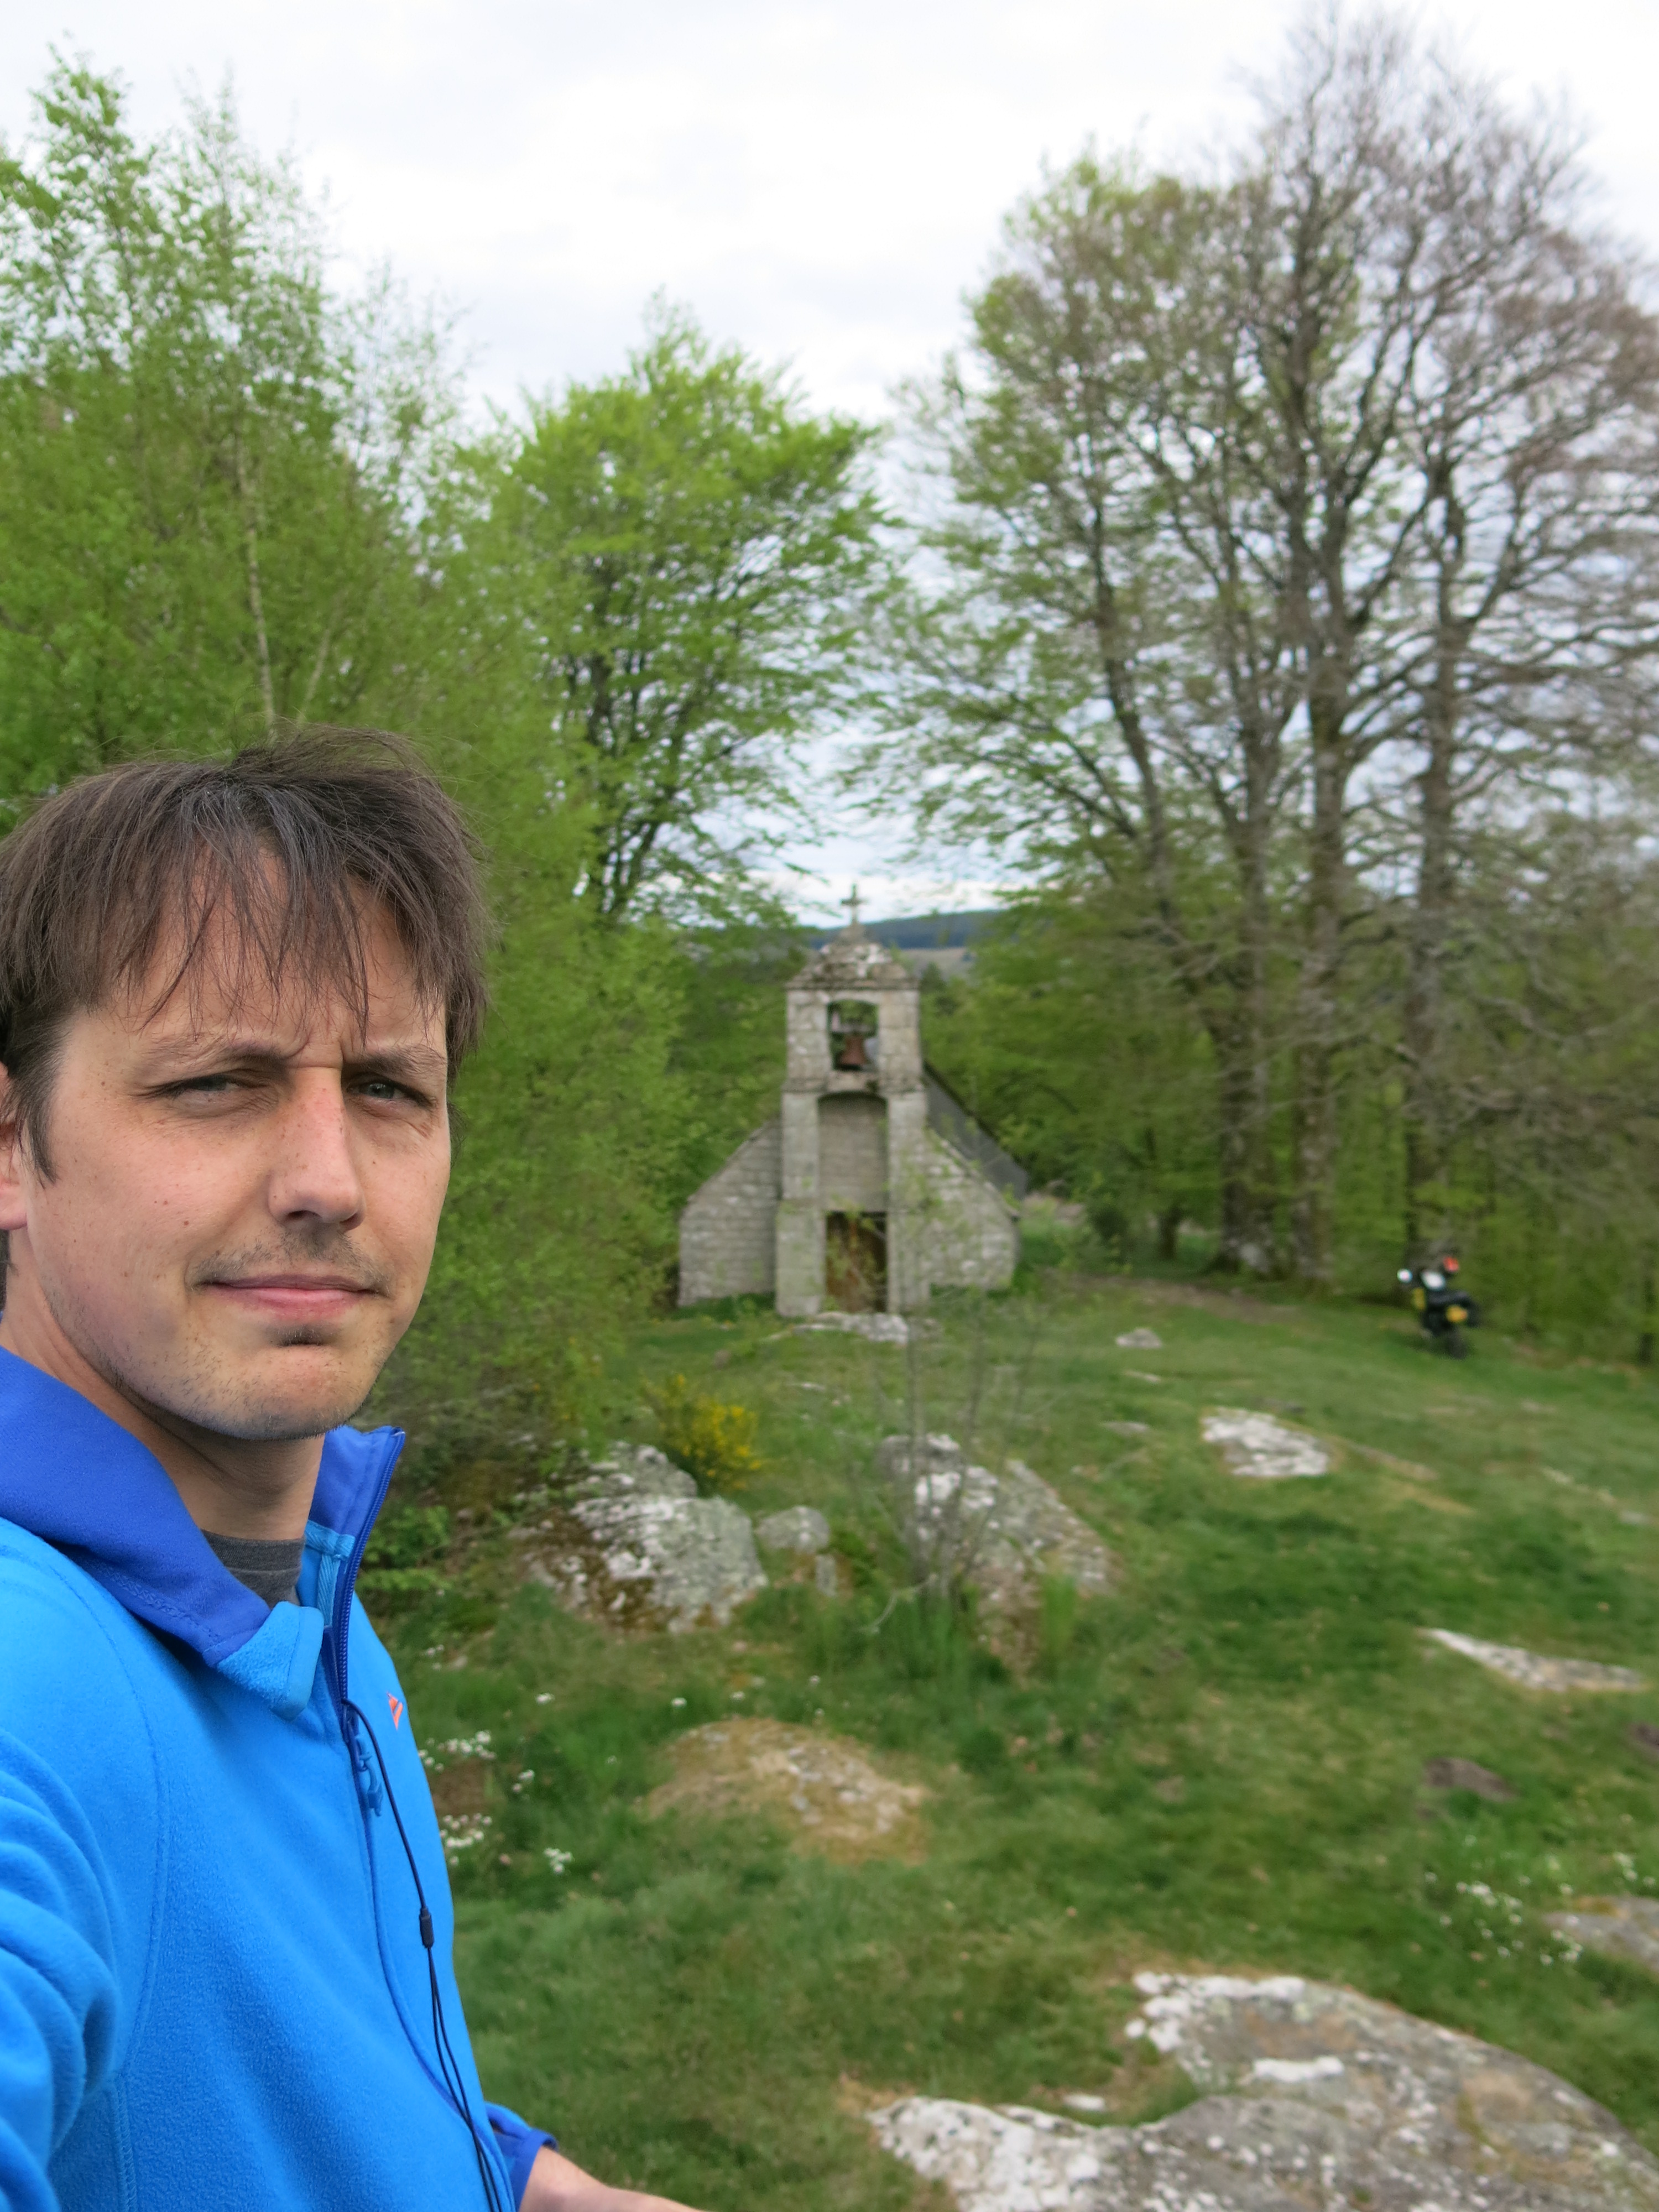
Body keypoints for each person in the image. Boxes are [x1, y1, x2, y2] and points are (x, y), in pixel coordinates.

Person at [0, 733, 709, 2212]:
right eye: (215, 1082)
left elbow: (268, 2072)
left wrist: (514, 2180)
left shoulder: (281, 1570)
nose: (328, 1180)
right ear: (14, 1144)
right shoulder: (34, 1684)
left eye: (389, 1089)